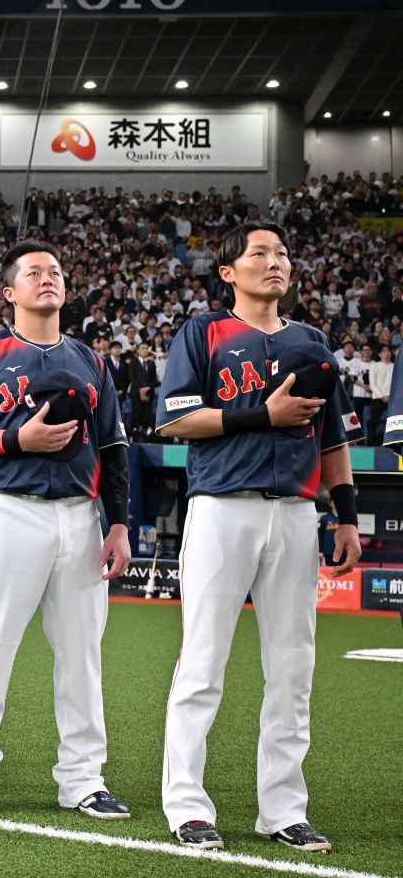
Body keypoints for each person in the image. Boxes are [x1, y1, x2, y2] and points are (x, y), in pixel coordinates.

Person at [155, 221, 362, 853]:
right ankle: (187, 805)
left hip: (297, 514)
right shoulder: (203, 332)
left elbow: (333, 437)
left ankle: (283, 808)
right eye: (259, 253)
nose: (275, 261)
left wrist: (347, 513)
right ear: (228, 272)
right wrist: (261, 415)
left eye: (282, 252)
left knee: (293, 667)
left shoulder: (313, 341)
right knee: (203, 664)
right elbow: (176, 421)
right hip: (222, 508)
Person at [0, 239, 133, 821]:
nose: (47, 278)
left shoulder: (93, 361)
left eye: (55, 271)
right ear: (9, 291)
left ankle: (83, 778)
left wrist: (118, 523)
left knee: (82, 655)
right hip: (7, 510)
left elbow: (115, 447)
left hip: (79, 514)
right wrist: (15, 439)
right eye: (33, 272)